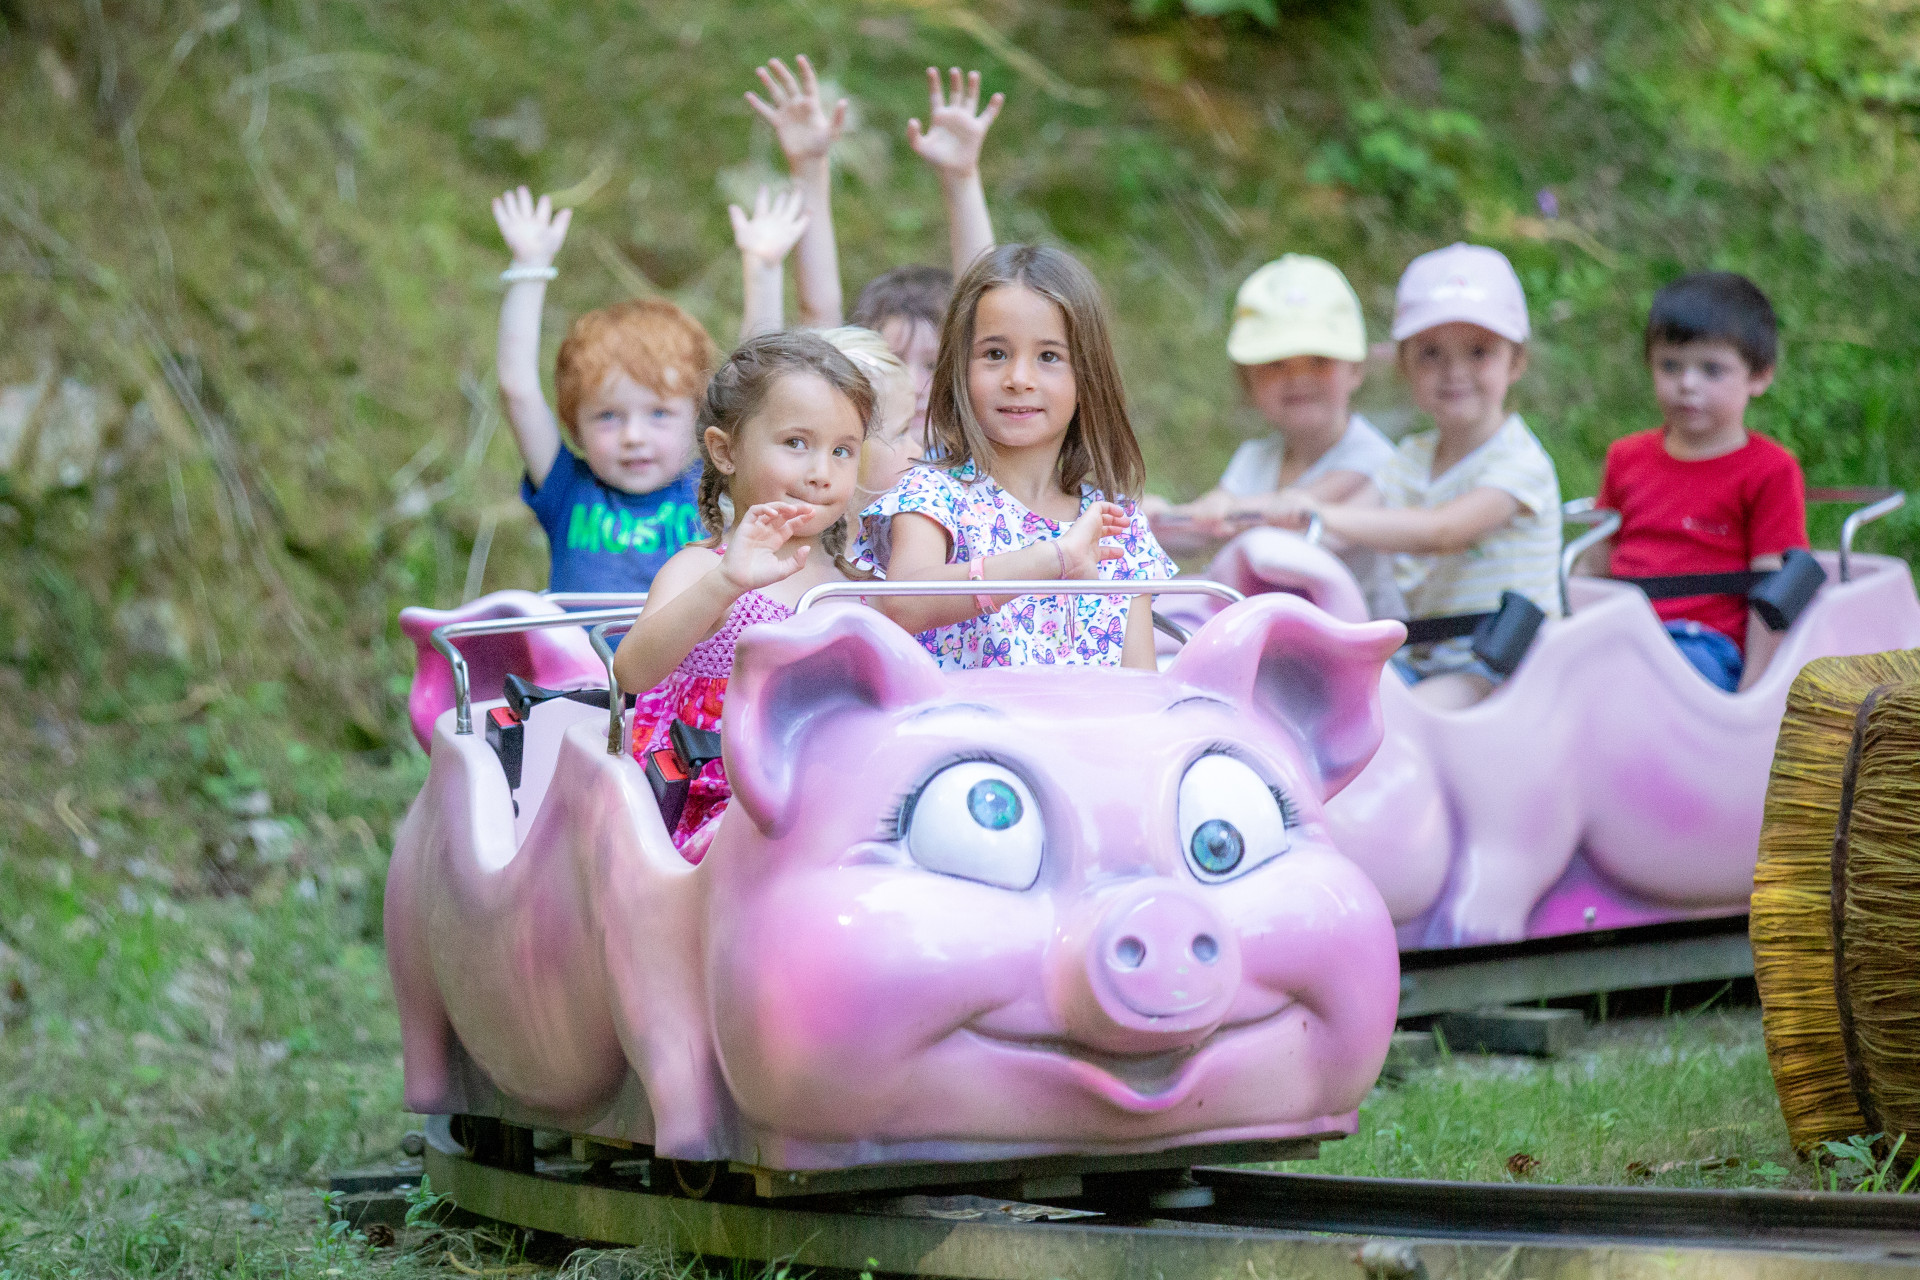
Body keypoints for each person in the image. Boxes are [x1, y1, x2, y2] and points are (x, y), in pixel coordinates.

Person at [610, 332, 872, 863]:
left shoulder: (858, 588)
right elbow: (632, 673)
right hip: (717, 805)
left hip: (833, 804)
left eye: (842, 451)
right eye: (796, 444)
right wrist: (725, 583)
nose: (821, 473)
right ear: (726, 451)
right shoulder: (702, 568)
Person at [1265, 243, 1561, 707]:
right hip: (1425, 653)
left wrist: (1320, 512)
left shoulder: (1521, 463)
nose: (1454, 371)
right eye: (1431, 354)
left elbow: (1440, 531)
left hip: (1503, 661)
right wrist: (1281, 526)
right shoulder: (1411, 458)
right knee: (1326, 701)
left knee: (1404, 717)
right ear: (1405, 366)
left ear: (1516, 361)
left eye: (1479, 352)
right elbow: (1342, 527)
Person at [854, 243, 1175, 670]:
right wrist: (1052, 559)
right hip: (960, 735)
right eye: (995, 354)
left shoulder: (1118, 523)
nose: (1019, 379)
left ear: (1087, 374)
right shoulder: (932, 494)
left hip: (1089, 736)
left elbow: (1141, 691)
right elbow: (904, 604)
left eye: (1048, 357)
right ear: (959, 369)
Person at [745, 57, 1002, 443]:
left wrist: (962, 178)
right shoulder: (850, 460)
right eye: (893, 362)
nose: (914, 385)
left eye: (932, 364)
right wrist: (809, 168)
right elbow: (818, 314)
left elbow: (990, 314)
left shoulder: (978, 456)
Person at [1146, 254, 1401, 617]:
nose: (1298, 378)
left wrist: (1222, 512)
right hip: (1272, 635)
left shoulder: (1372, 458)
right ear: (1248, 381)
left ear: (1356, 369)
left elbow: (1295, 509)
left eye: (1319, 360)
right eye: (1275, 365)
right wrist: (1157, 523)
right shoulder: (1255, 457)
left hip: (1357, 642)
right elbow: (1210, 521)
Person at [491, 187, 718, 594]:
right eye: (608, 416)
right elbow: (517, 388)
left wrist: (764, 268)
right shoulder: (568, 490)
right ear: (575, 427)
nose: (633, 436)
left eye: (659, 413)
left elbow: (762, 392)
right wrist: (530, 268)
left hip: (691, 660)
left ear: (699, 419)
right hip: (581, 660)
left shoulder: (712, 490)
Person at [1587, 272, 1806, 692]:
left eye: (1711, 369)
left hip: (1702, 641)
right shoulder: (1625, 457)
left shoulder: (1770, 469)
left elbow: (1774, 592)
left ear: (1758, 376)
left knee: (1647, 681)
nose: (1687, 384)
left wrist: (1754, 689)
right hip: (1619, 630)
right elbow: (1596, 562)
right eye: (1671, 365)